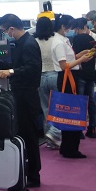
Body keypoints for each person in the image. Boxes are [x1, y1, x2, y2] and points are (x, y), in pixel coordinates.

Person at [0, 13, 43, 187]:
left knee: (29, 134)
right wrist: (0, 63)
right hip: (20, 93)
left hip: (27, 95)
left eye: (5, 31)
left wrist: (10, 72)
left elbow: (33, 69)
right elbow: (18, 66)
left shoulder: (29, 44)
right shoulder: (20, 44)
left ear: (11, 28)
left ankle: (33, 174)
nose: (5, 34)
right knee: (23, 133)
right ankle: (26, 171)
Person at [54, 25, 91, 158]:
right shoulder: (59, 42)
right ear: (63, 26)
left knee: (69, 113)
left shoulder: (62, 40)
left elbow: (68, 59)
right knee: (71, 113)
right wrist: (81, 60)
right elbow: (64, 65)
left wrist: (79, 55)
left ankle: (67, 146)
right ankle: (70, 148)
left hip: (69, 78)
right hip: (67, 78)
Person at [33, 16, 64, 149]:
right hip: (55, 75)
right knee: (59, 107)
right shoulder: (56, 40)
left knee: (45, 108)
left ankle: (50, 140)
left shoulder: (34, 41)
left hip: (40, 77)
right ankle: (55, 133)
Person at [71, 18, 96, 138]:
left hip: (80, 73)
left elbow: (74, 56)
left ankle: (79, 129)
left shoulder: (76, 39)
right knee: (91, 101)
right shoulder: (92, 39)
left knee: (79, 101)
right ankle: (92, 128)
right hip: (91, 73)